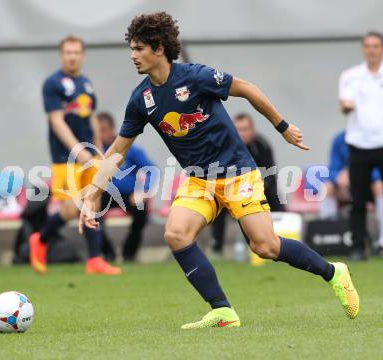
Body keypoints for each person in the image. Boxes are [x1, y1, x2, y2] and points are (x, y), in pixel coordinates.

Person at [79, 12, 359, 328]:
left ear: (159, 48)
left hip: (238, 173)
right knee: (176, 233)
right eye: (131, 48)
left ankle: (334, 272)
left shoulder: (195, 77)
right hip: (199, 180)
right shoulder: (141, 99)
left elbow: (247, 88)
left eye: (139, 48)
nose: (133, 55)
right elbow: (117, 150)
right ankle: (222, 310)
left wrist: (282, 127)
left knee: (265, 246)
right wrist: (93, 194)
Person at [29, 35, 121, 275]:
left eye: (76, 52)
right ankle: (40, 239)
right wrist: (78, 152)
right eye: (68, 52)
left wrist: (101, 152)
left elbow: (91, 117)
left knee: (93, 202)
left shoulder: (86, 84)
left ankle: (94, 260)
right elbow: (57, 122)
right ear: (61, 55)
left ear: (82, 55)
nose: (72, 56)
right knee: (71, 208)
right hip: (65, 157)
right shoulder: (53, 84)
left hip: (91, 155)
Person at [210, 113, 285, 255]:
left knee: (276, 198)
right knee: (217, 203)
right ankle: (216, 247)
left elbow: (270, 173)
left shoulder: (262, 145)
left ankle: (282, 243)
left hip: (259, 188)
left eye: (245, 129)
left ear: (252, 130)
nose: (241, 133)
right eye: (238, 129)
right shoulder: (223, 146)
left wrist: (254, 188)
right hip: (231, 190)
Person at [339, 31, 383, 260]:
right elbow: (344, 103)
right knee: (357, 198)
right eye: (367, 46)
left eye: (376, 46)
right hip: (359, 144)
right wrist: (346, 106)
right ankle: (358, 245)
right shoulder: (351, 76)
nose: (372, 50)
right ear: (363, 49)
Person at [96, 112, 156, 262]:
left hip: (129, 195)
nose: (99, 134)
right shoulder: (92, 151)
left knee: (141, 213)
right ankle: (108, 254)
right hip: (103, 194)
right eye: (96, 130)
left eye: (102, 130)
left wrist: (143, 190)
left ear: (111, 129)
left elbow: (152, 170)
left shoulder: (128, 148)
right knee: (89, 214)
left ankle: (129, 253)